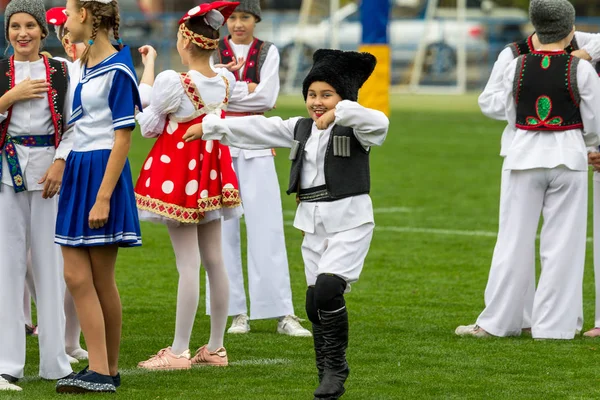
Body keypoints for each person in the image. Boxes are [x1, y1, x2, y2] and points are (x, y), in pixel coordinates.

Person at [183, 49, 389, 400]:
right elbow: (259, 128)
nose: (317, 102)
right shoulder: (301, 128)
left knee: (327, 289)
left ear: (344, 97)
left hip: (350, 222)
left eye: (327, 95)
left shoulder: (358, 127)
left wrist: (342, 111)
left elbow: (379, 122)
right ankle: (324, 369)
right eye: (312, 94)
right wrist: (212, 126)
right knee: (313, 303)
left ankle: (337, 369)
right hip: (313, 224)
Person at [455, 0, 600, 340]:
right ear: (571, 27)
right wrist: (584, 139)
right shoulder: (581, 68)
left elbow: (506, 108)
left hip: (522, 154)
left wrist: (527, 125)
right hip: (569, 156)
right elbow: (594, 121)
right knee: (564, 244)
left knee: (512, 241)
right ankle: (555, 327)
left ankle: (497, 322)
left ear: (533, 23)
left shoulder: (516, 63)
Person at [134, 1, 242, 371]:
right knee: (215, 260)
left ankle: (179, 351)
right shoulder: (226, 80)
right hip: (212, 172)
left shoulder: (173, 81)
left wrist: (143, 85)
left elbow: (149, 125)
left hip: (179, 173)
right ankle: (215, 346)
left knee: (188, 264)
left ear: (184, 39)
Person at [205, 0, 311, 338]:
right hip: (220, 143)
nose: (238, 24)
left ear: (256, 19)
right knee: (223, 232)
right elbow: (207, 96)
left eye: (245, 17)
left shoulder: (269, 52)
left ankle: (283, 311)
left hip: (257, 143)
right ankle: (235, 312)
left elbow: (266, 98)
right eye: (233, 17)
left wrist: (231, 90)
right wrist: (243, 89)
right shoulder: (212, 48)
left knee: (267, 228)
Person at [55, 0, 142, 393]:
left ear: (86, 16)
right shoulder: (84, 65)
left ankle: (103, 370)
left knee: (100, 279)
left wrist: (104, 196)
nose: (65, 21)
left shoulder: (119, 69)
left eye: (70, 14)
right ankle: (102, 368)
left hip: (102, 172)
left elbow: (123, 138)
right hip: (77, 170)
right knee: (76, 276)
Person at [0, 0, 75, 392]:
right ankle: (7, 363)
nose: (22, 33)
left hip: (50, 174)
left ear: (44, 31)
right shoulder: (1, 72)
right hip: (6, 175)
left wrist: (61, 161)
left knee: (51, 266)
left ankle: (55, 362)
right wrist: (8, 98)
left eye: (30, 25)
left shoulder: (63, 71)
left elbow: (75, 123)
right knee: (8, 269)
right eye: (15, 26)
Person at [45, 5, 89, 363]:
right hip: (54, 171)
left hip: (82, 171)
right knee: (47, 262)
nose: (69, 39)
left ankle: (70, 340)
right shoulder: (60, 69)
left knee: (75, 262)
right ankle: (48, 333)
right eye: (63, 33)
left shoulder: (97, 68)